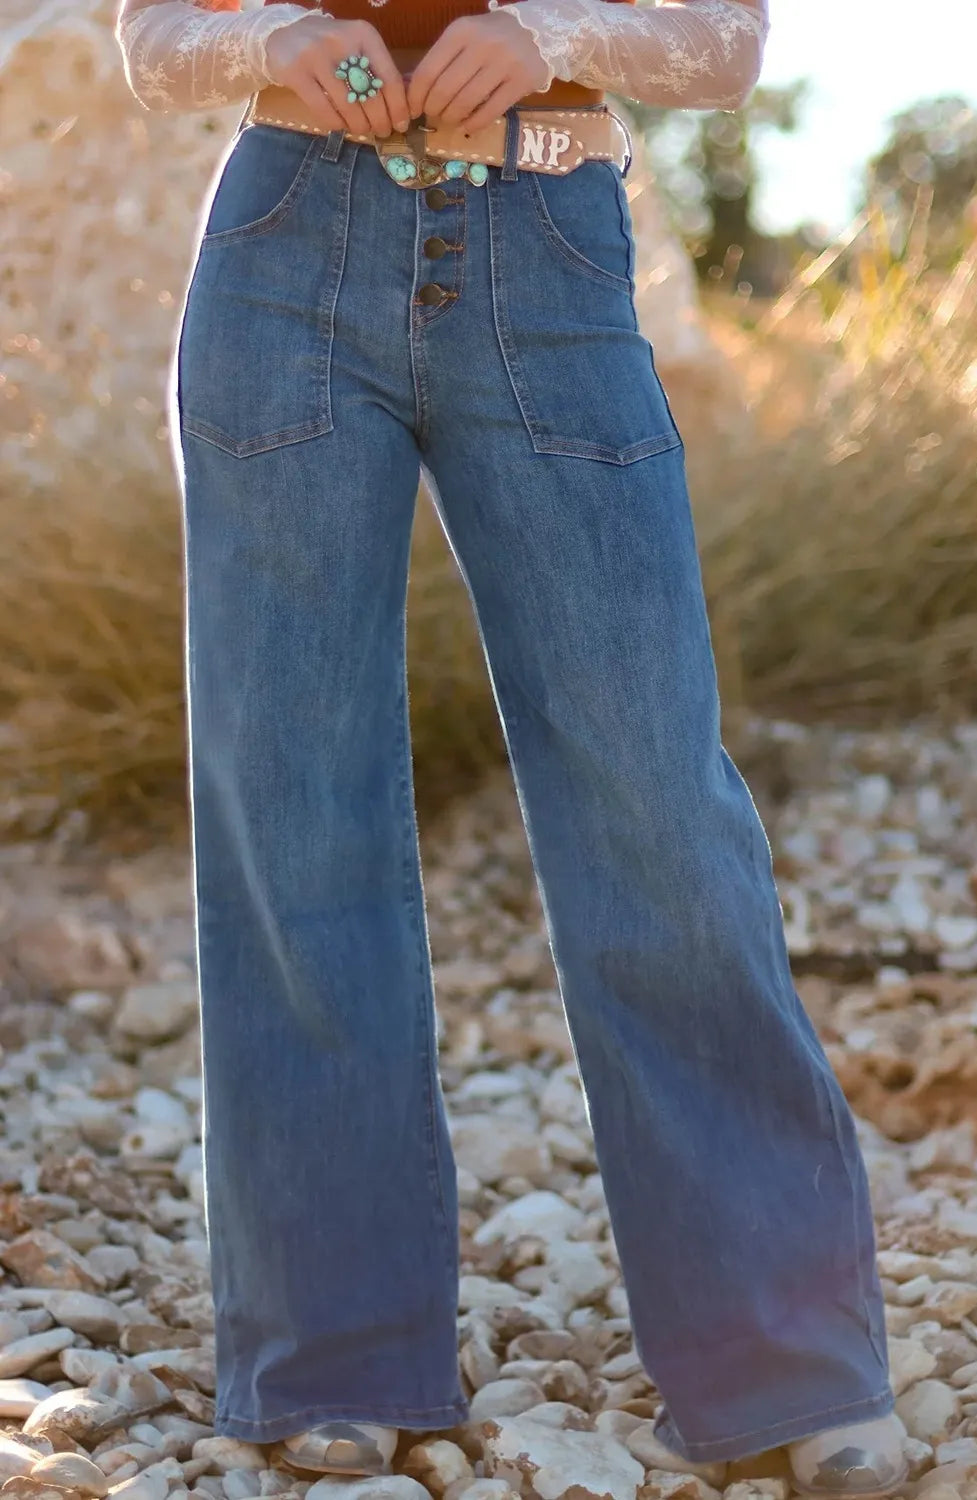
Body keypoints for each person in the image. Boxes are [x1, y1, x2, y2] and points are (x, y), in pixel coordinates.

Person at [113, 0, 908, 1488]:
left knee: (653, 793)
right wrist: (272, 44)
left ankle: (784, 1361)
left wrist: (544, 29)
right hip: (282, 254)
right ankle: (329, 1357)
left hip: (546, 244)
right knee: (293, 806)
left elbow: (724, 43)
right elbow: (151, 37)